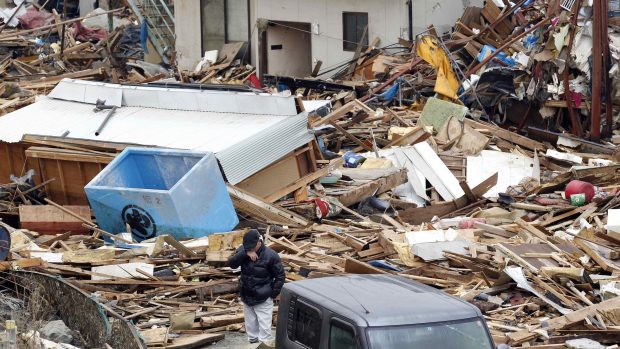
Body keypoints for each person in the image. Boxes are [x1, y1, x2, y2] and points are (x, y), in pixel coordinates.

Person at [228, 229, 285, 344]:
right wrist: (245, 253)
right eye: (247, 247)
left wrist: (271, 294)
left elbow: (280, 277)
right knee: (251, 330)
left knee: (264, 333)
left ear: (260, 242)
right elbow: (232, 264)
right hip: (247, 297)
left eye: (252, 247)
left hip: (263, 298)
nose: (250, 249)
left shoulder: (271, 255)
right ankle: (252, 344)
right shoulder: (244, 250)